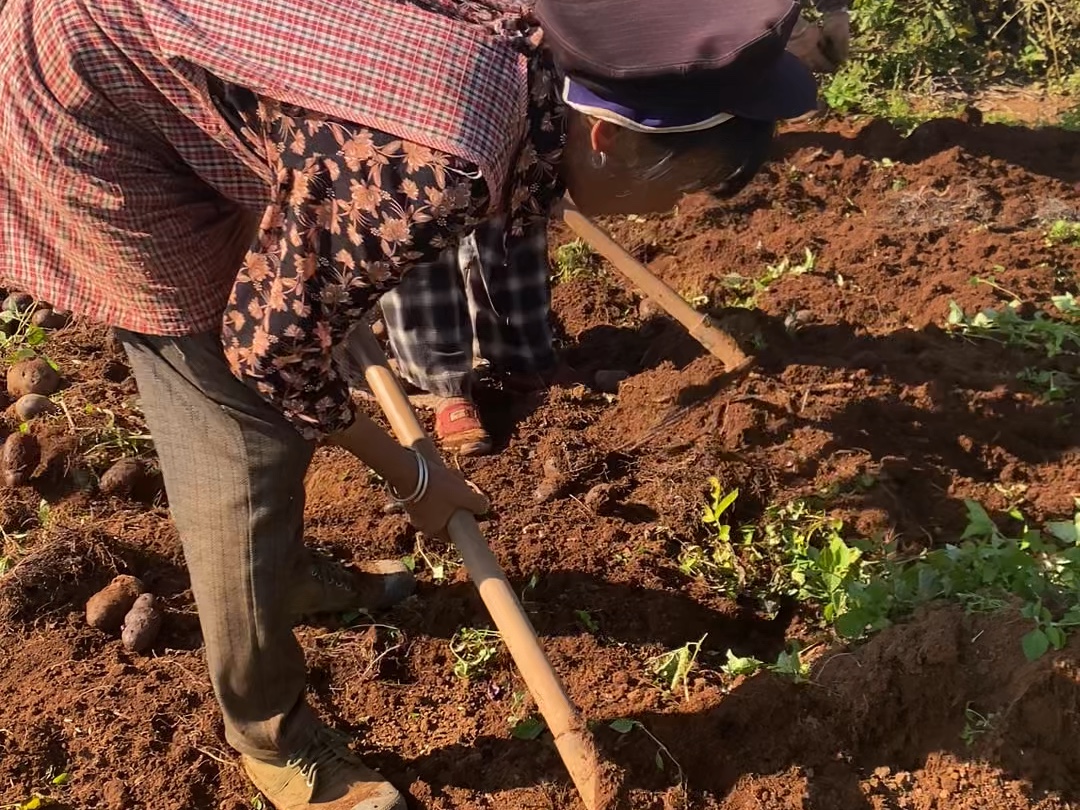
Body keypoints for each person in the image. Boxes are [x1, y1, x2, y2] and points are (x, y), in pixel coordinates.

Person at [0, 0, 818, 807]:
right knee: (241, 437)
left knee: (289, 334)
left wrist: (322, 283)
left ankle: (281, 577)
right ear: (604, 137)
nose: (671, 212)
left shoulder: (532, 61)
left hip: (181, 57)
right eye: (682, 188)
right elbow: (271, 353)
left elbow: (328, 204)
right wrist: (415, 476)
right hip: (89, 95)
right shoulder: (443, 159)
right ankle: (268, 733)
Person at [374, 0, 852, 459]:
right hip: (424, 86)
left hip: (538, 52)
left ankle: (524, 357)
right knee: (429, 245)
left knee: (525, 206)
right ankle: (443, 383)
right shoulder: (449, 157)